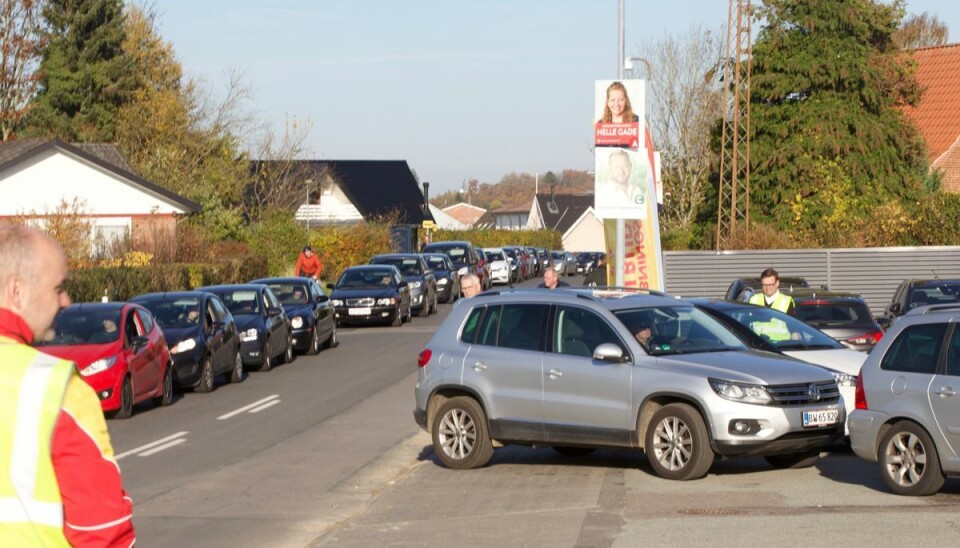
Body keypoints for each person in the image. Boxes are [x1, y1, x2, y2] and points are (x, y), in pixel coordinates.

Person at [0, 225, 135, 546]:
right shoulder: (56, 387)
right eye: (58, 288)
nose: (66, 301)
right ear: (17, 291)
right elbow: (103, 531)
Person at [748, 268, 796, 342]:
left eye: (770, 285)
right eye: (765, 285)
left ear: (777, 283)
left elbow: (794, 330)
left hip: (780, 347)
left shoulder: (786, 302)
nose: (768, 288)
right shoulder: (754, 300)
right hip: (757, 347)